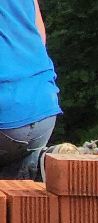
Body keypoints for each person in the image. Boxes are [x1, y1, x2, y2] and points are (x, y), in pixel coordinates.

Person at [0, 0, 56, 181]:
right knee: (19, 202)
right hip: (42, 107)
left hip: (4, 114)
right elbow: (40, 38)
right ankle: (41, 165)